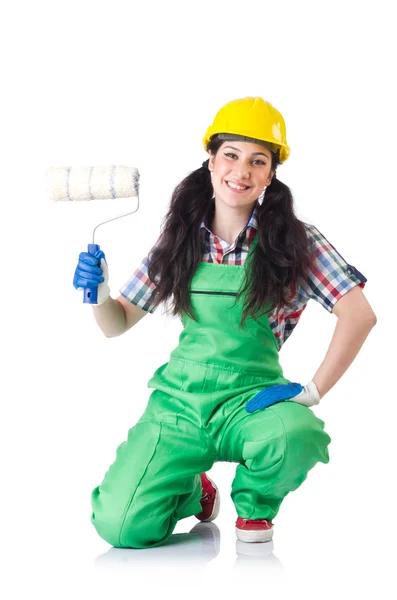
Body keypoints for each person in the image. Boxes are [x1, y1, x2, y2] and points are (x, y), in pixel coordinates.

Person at [73, 96, 377, 548]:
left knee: (297, 435)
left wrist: (312, 391)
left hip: (249, 403)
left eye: (258, 161)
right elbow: (115, 324)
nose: (242, 171)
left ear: (271, 174)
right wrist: (97, 292)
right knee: (120, 527)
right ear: (211, 162)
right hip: (179, 404)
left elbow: (359, 315)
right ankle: (194, 489)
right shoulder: (179, 237)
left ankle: (255, 509)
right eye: (231, 155)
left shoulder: (295, 241)